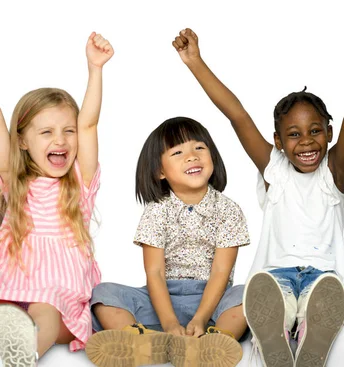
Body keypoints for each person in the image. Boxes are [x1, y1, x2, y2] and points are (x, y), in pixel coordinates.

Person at [171, 25, 344, 367]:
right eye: (293, 135)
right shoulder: (274, 170)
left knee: (322, 298)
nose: (306, 142)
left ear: (328, 132)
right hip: (274, 276)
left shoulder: (333, 172)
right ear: (278, 142)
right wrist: (195, 62)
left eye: (315, 132)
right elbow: (236, 114)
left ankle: (312, 336)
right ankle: (276, 337)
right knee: (274, 302)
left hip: (325, 279)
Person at [86, 117, 250, 367]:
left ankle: (216, 342)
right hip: (161, 299)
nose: (192, 156)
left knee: (245, 295)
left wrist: (200, 318)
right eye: (178, 152)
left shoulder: (229, 210)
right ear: (160, 172)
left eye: (199, 148)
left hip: (213, 300)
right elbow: (155, 273)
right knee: (103, 293)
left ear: (212, 158)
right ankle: (140, 340)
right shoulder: (156, 211)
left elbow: (220, 272)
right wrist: (170, 323)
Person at [0, 32, 113, 364]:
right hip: (11, 284)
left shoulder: (79, 181)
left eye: (68, 130)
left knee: (44, 308)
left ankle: (21, 354)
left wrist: (95, 69)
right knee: (7, 310)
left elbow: (89, 123)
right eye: (46, 132)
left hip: (58, 295)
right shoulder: (14, 181)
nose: (60, 140)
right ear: (21, 142)